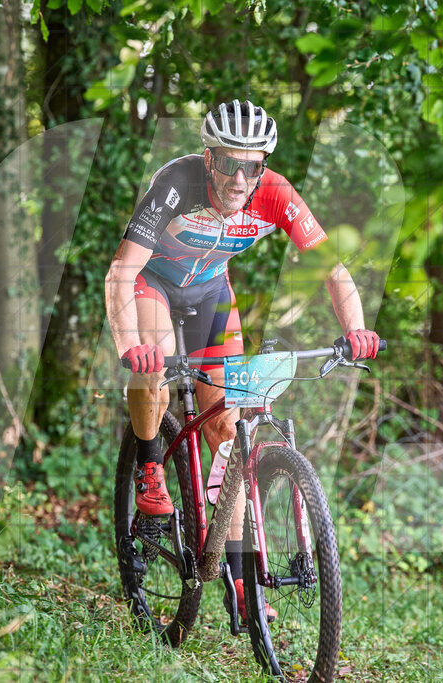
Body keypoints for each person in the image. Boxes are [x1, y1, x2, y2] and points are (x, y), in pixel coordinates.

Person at [104, 100, 379, 621]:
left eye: (252, 166)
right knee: (153, 363)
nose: (239, 177)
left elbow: (332, 269)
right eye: (229, 163)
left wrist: (356, 330)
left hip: (210, 295)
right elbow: (121, 271)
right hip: (152, 284)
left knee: (228, 436)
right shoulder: (177, 183)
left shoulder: (276, 193)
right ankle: (149, 466)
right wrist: (128, 345)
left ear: (263, 166)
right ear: (209, 158)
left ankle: (240, 584)